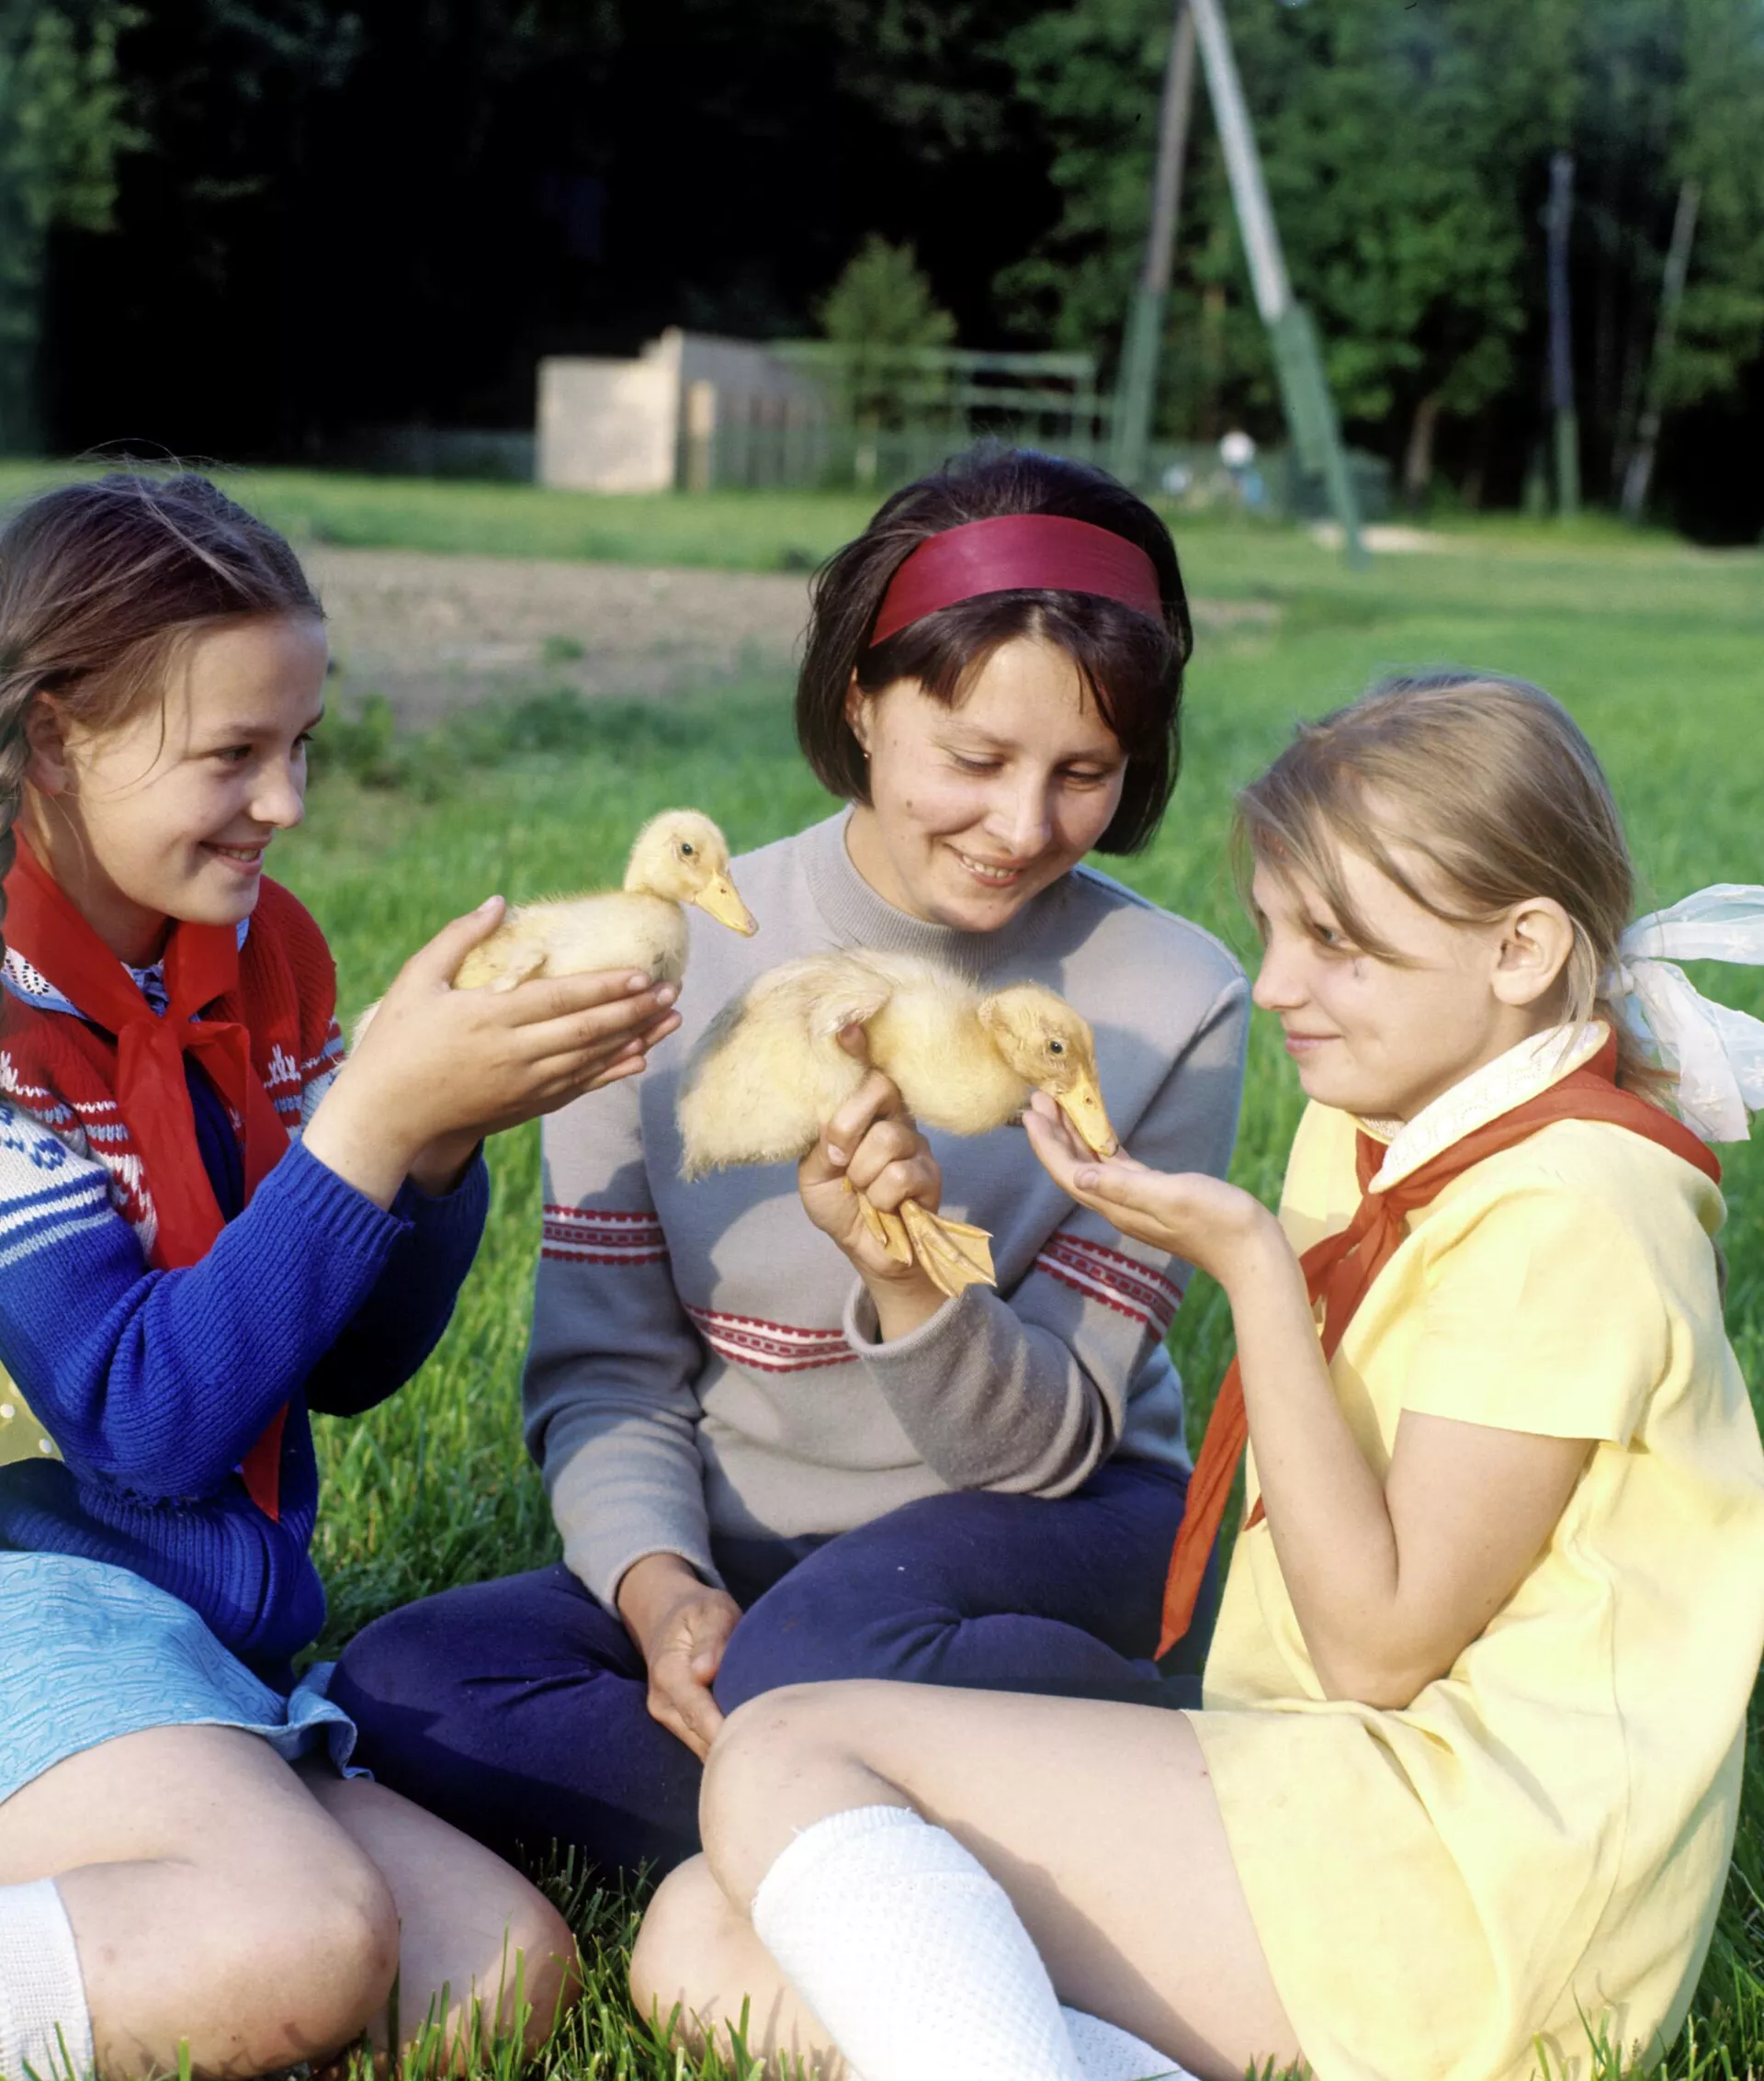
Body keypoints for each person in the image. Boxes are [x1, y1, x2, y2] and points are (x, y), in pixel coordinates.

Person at [629, 672, 1764, 2081]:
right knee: (700, 1937)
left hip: (1478, 1889)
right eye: (1278, 929)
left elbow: (1382, 1647)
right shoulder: (1384, 1129)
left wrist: (1254, 1275)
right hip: (1332, 1800)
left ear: (1521, 946)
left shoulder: (1572, 1208)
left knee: (783, 1754)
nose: (1279, 984)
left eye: (1340, 944)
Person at [331, 447, 1250, 1878]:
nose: (1023, 828)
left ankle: (822, 1800)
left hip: (1050, 1532)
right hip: (754, 1564)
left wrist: (908, 1284)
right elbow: (610, 1376)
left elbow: (1055, 1446)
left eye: (1085, 774)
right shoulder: (657, 963)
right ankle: (936, 1817)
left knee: (832, 1641)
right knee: (405, 1682)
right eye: (974, 759)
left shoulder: (1168, 996)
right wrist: (661, 1595)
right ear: (861, 703)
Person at [0, 472, 683, 2081]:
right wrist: (367, 1122)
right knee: (300, 1943)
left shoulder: (266, 955)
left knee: (493, 1976)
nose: (287, 801)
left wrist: (431, 1154)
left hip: (196, 1638)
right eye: (231, 755)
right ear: (52, 742)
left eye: (298, 744)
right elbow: (143, 1426)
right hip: (27, 1603)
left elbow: (345, 1362)